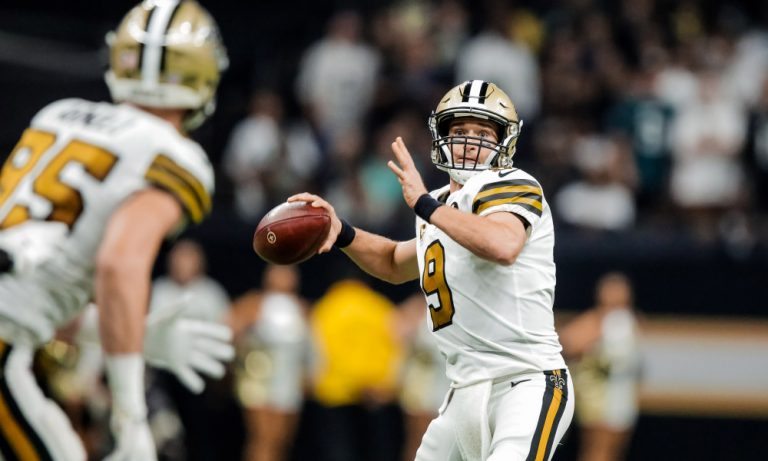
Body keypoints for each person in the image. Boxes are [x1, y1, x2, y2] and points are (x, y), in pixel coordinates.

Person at [290, 79, 574, 461]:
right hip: (462, 392)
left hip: (524, 382)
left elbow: (503, 244)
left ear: (505, 141)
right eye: (460, 131)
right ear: (442, 137)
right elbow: (393, 262)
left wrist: (425, 205)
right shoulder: (440, 204)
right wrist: (343, 232)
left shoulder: (511, 184)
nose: (470, 142)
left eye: (482, 133)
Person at [0, 1, 229, 459]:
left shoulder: (58, 115)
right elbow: (119, 264)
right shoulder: (174, 155)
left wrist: (134, 334)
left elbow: (35, 294)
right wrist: (131, 416)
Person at [227, 264, 309, 461]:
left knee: (280, 440)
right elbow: (230, 331)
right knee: (261, 438)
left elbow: (309, 348)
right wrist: (246, 323)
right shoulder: (254, 303)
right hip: (259, 382)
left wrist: (308, 376)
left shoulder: (301, 308)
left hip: (288, 384)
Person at [558, 272, 641, 461]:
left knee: (614, 451)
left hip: (623, 397)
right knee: (597, 450)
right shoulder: (596, 320)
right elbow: (568, 343)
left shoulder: (629, 320)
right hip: (599, 400)